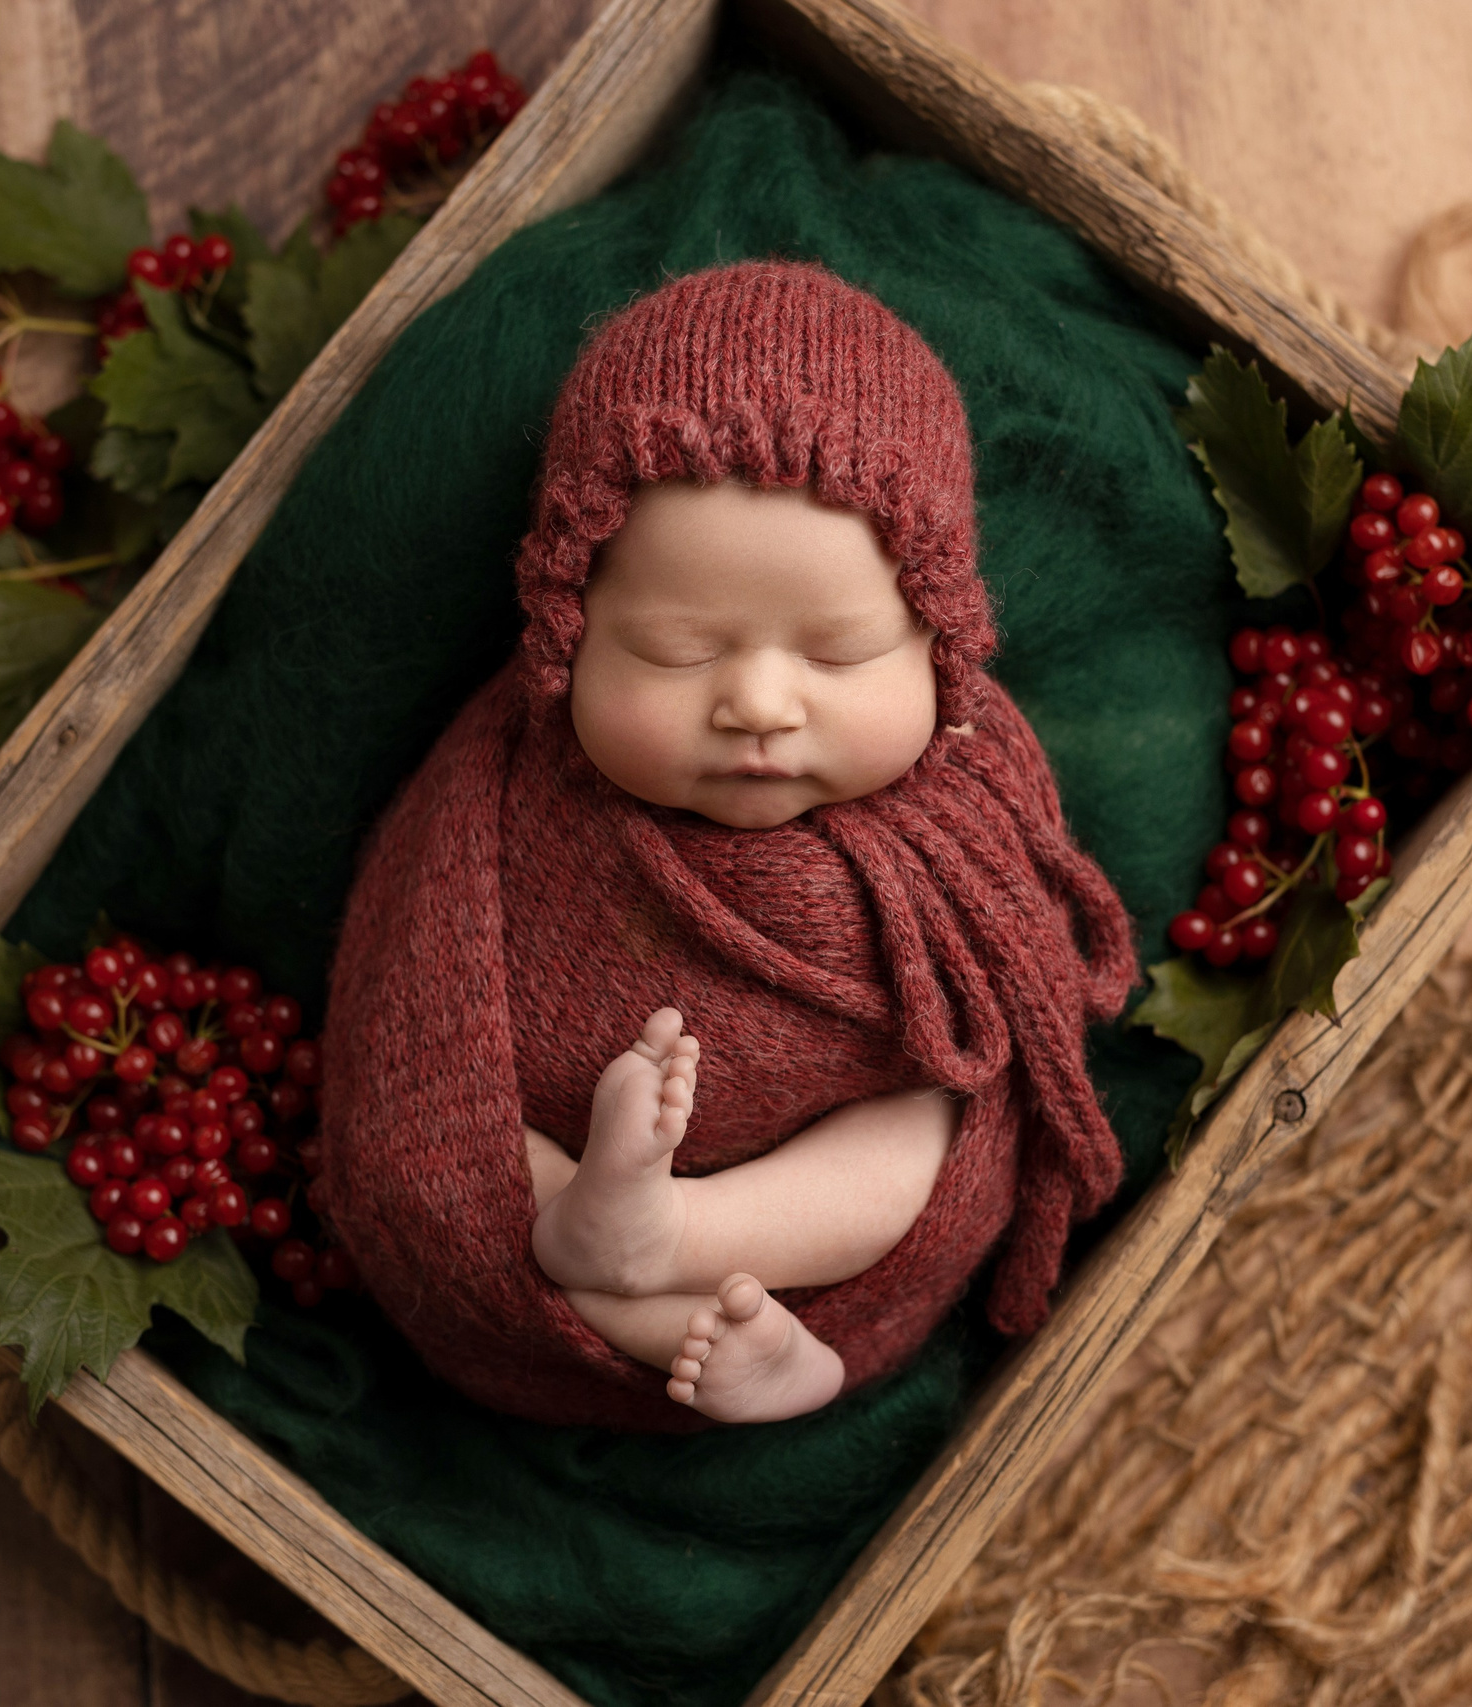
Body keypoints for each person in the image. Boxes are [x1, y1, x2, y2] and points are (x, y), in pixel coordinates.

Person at [323, 259, 1138, 1428]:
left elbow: (1012, 1012)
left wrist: (678, 1226)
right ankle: (638, 1283)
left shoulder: (965, 816)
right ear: (565, 633)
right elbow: (407, 1009)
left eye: (838, 653)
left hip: (803, 1232)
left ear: (940, 644)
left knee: (935, 1112)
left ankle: (675, 1239)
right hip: (545, 1194)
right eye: (675, 651)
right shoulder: (509, 782)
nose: (758, 703)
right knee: (432, 1130)